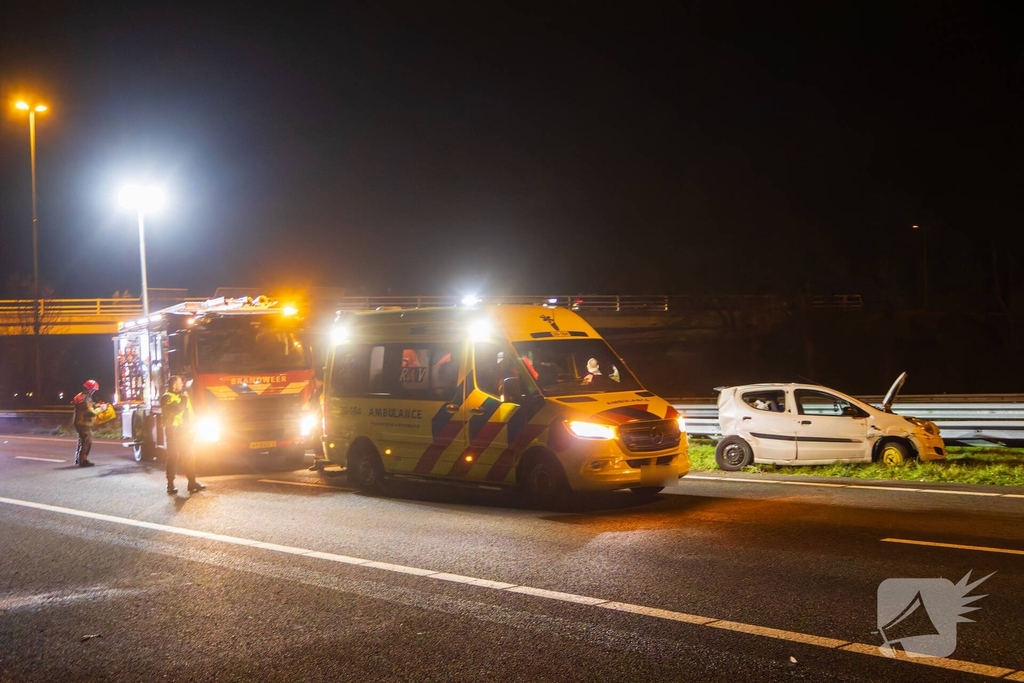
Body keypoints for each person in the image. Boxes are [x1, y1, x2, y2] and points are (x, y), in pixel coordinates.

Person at [160, 375, 206, 495]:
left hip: (184, 430)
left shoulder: (181, 396)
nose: (182, 384)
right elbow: (178, 409)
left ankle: (192, 482)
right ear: (174, 385)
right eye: (180, 382)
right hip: (173, 430)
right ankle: (170, 484)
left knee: (189, 456)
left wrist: (193, 425)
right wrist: (185, 399)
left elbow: (189, 413)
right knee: (173, 457)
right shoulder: (167, 397)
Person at [72, 379, 104, 467]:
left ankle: (79, 459)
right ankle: (83, 461)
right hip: (82, 423)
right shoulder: (83, 398)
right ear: (89, 389)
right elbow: (88, 412)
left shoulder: (85, 396)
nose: (93, 392)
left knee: (83, 441)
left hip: (83, 423)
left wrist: (96, 405)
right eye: (93, 390)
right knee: (87, 441)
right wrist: (100, 409)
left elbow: (89, 406)